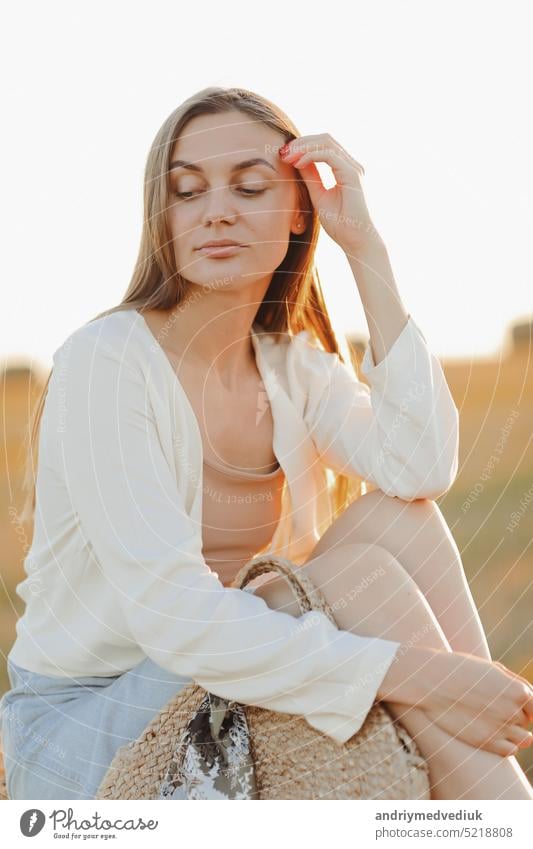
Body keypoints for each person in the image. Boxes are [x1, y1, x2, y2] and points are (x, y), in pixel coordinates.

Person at [1, 86, 532, 801]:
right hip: (85, 730)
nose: (215, 209)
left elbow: (420, 467)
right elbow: (176, 618)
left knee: (395, 520)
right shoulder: (107, 360)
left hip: (218, 675)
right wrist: (423, 675)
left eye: (250, 186)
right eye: (187, 192)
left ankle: (486, 777)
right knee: (328, 584)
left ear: (296, 211)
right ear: (163, 219)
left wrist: (365, 246)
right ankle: (498, 795)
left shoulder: (288, 362)